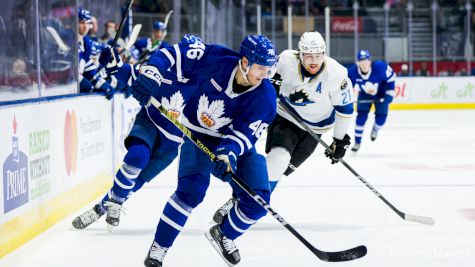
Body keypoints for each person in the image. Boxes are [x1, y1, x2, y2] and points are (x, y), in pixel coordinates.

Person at [129, 35, 278, 267]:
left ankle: (224, 234)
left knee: (258, 201)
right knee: (191, 191)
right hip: (197, 134)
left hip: (234, 145)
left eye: (269, 69)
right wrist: (151, 73)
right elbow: (174, 53)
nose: (265, 75)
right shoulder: (216, 59)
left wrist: (227, 154)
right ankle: (159, 247)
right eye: (261, 68)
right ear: (245, 62)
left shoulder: (266, 98)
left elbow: (243, 136)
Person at [212, 31, 354, 223]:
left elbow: (344, 110)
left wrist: (339, 140)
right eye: (309, 56)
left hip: (316, 130)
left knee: (280, 171)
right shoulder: (286, 60)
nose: (314, 60)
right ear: (300, 54)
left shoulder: (337, 75)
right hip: (286, 118)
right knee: (277, 160)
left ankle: (247, 199)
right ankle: (241, 202)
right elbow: (264, 76)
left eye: (318, 55)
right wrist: (272, 85)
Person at [71, 43, 183, 230]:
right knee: (137, 157)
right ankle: (114, 203)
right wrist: (112, 64)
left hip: (171, 142)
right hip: (149, 123)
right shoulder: (161, 68)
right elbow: (128, 72)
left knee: (136, 181)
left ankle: (103, 207)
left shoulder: (200, 80)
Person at [348, 50, 396, 152]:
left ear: (370, 61)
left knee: (381, 118)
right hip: (364, 95)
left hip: (381, 95)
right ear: (358, 62)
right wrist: (346, 98)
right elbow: (346, 86)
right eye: (361, 61)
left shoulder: (380, 67)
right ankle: (357, 142)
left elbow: (392, 77)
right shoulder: (352, 72)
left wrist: (389, 93)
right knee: (360, 117)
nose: (364, 64)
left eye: (366, 61)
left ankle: (375, 129)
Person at [78, 8, 115, 99]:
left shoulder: (86, 43)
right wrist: (89, 86)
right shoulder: (70, 41)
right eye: (82, 22)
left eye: (88, 23)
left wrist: (103, 85)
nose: (85, 26)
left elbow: (90, 71)